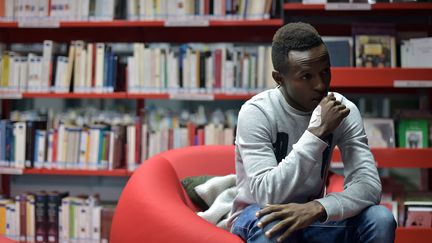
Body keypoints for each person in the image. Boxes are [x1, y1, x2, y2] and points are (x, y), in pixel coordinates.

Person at [227, 22, 396, 243]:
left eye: (325, 71)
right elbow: (268, 196)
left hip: (312, 215)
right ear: (279, 79)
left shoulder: (341, 109)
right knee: (271, 223)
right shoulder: (256, 112)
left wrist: (319, 207)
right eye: (306, 76)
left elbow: (369, 185)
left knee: (380, 218)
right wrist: (316, 133)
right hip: (257, 214)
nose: (320, 85)